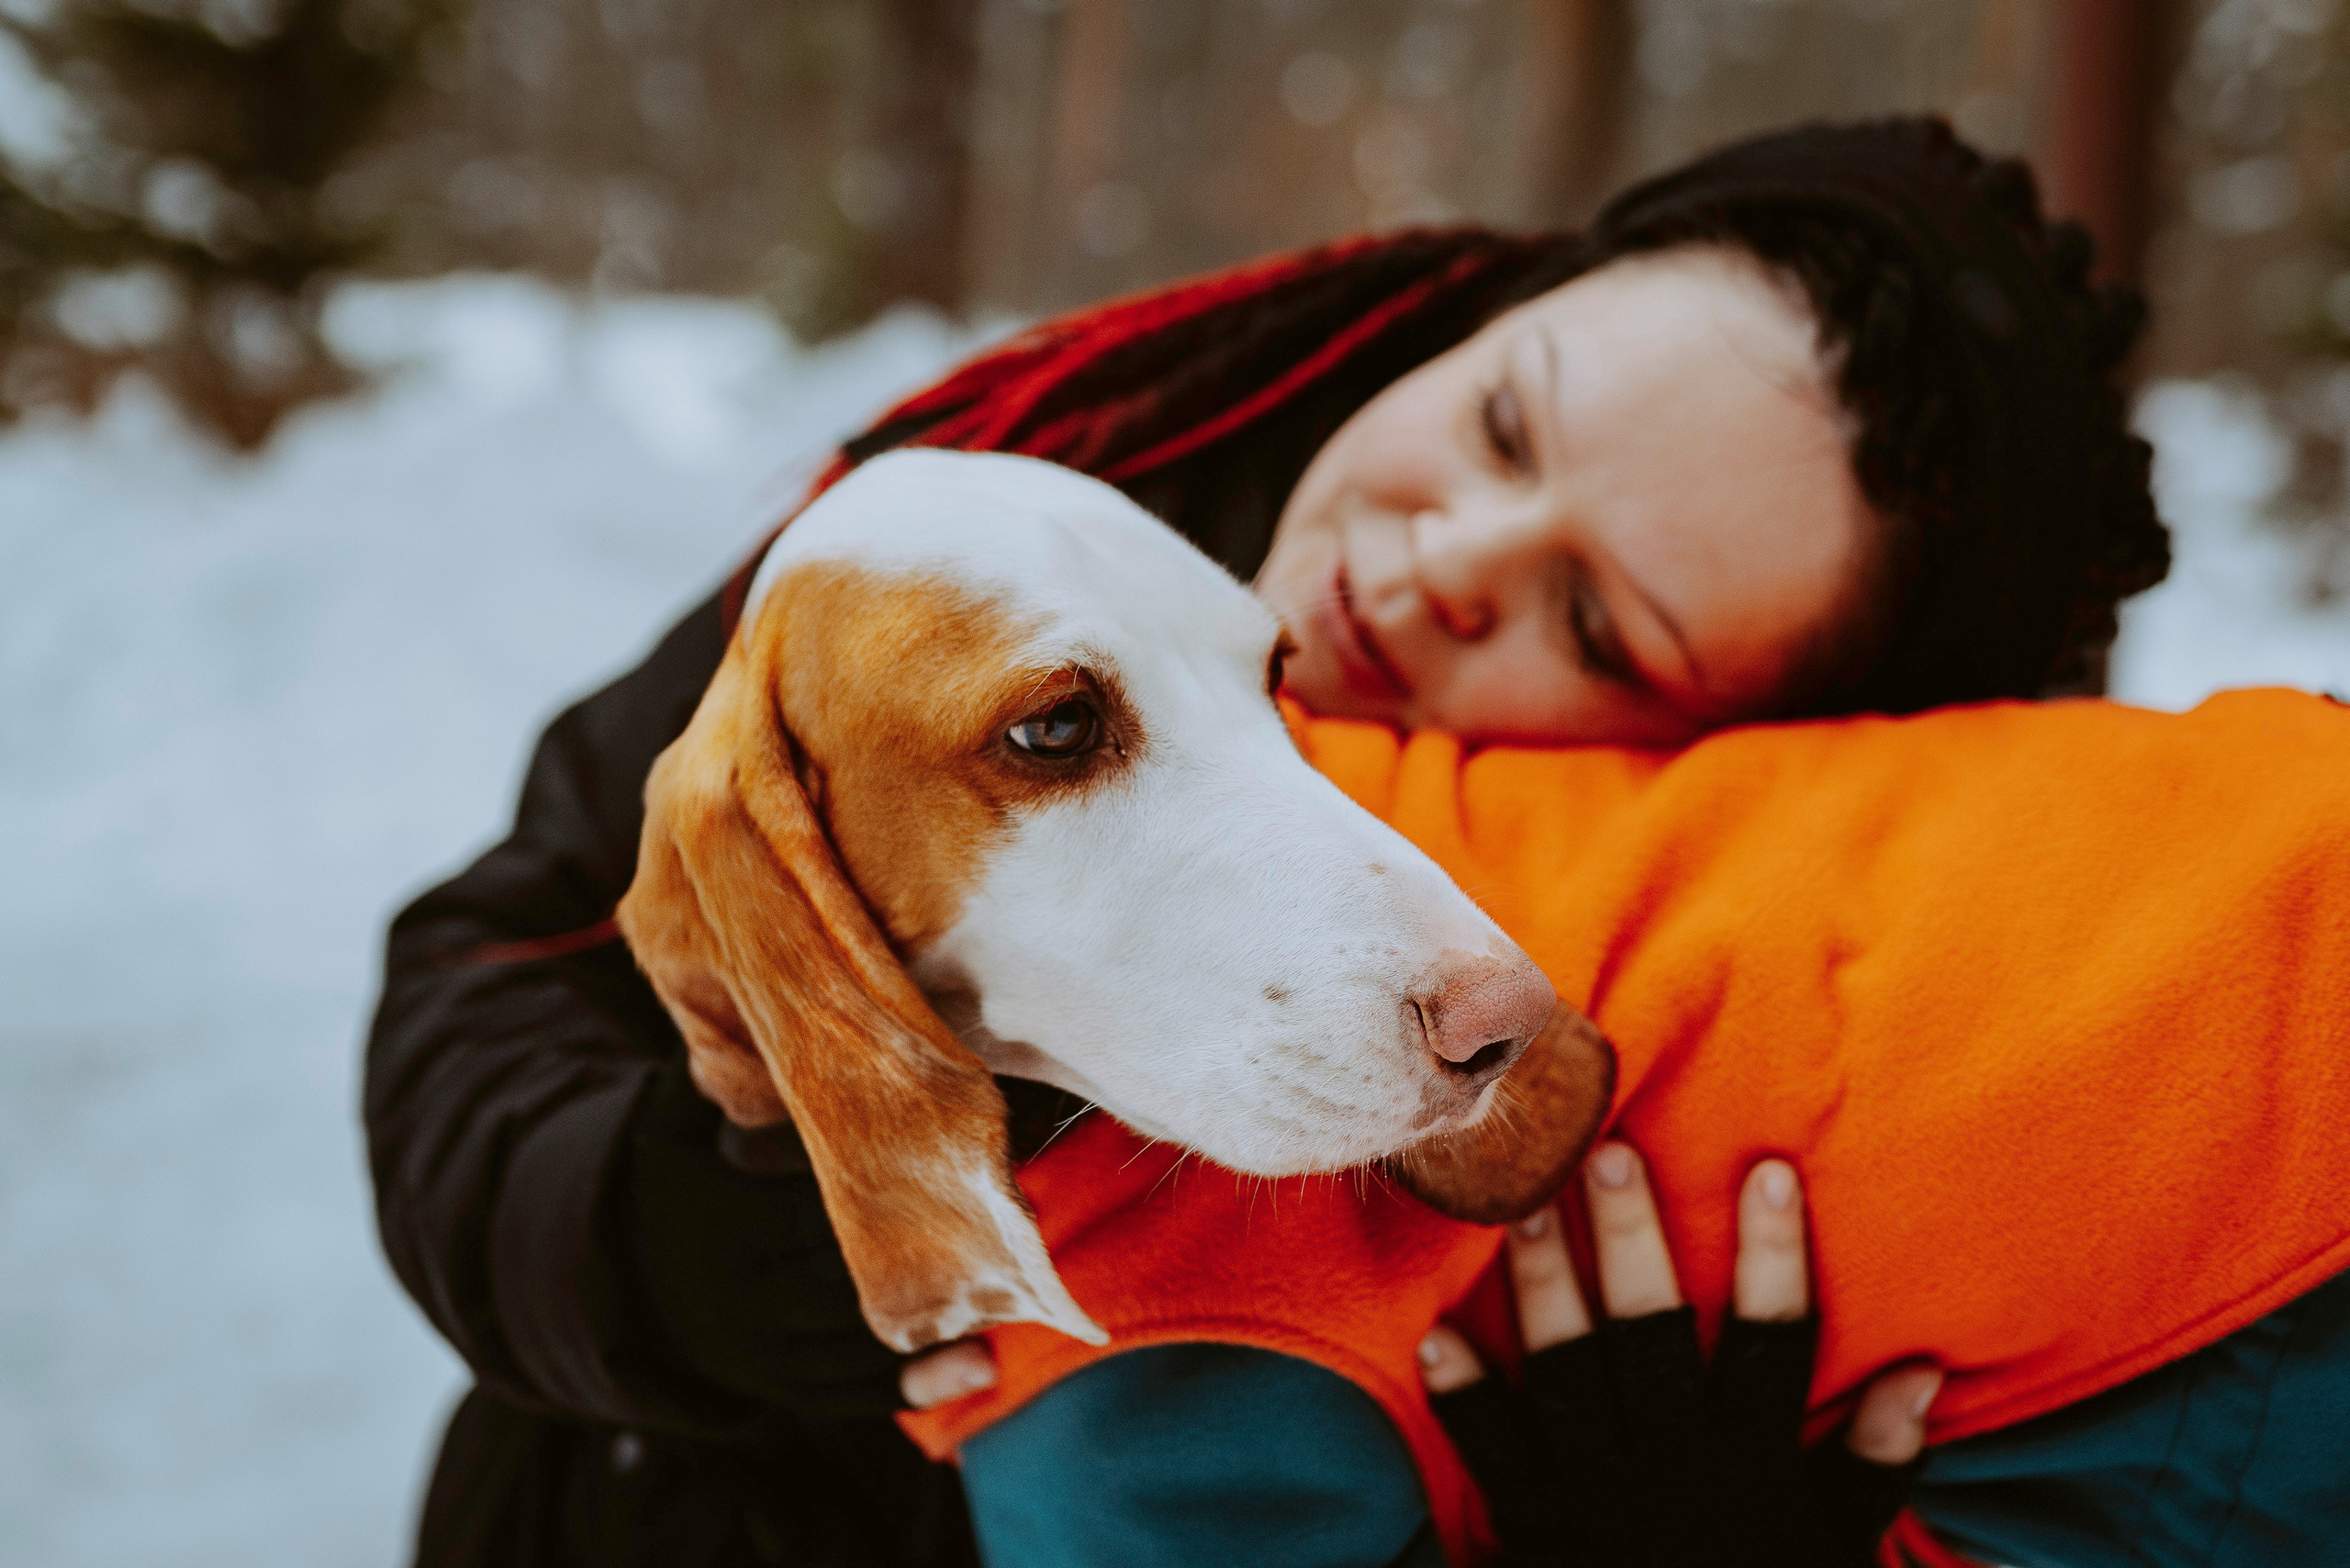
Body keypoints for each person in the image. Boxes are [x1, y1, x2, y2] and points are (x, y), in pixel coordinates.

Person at [365, 118, 2166, 1567]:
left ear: (1745, 762)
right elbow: (485, 971)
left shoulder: (1748, 1002)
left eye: (1598, 622)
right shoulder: (1051, 514)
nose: (1445, 554)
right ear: (1482, 309)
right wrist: (680, 1253)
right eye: (1501, 421)